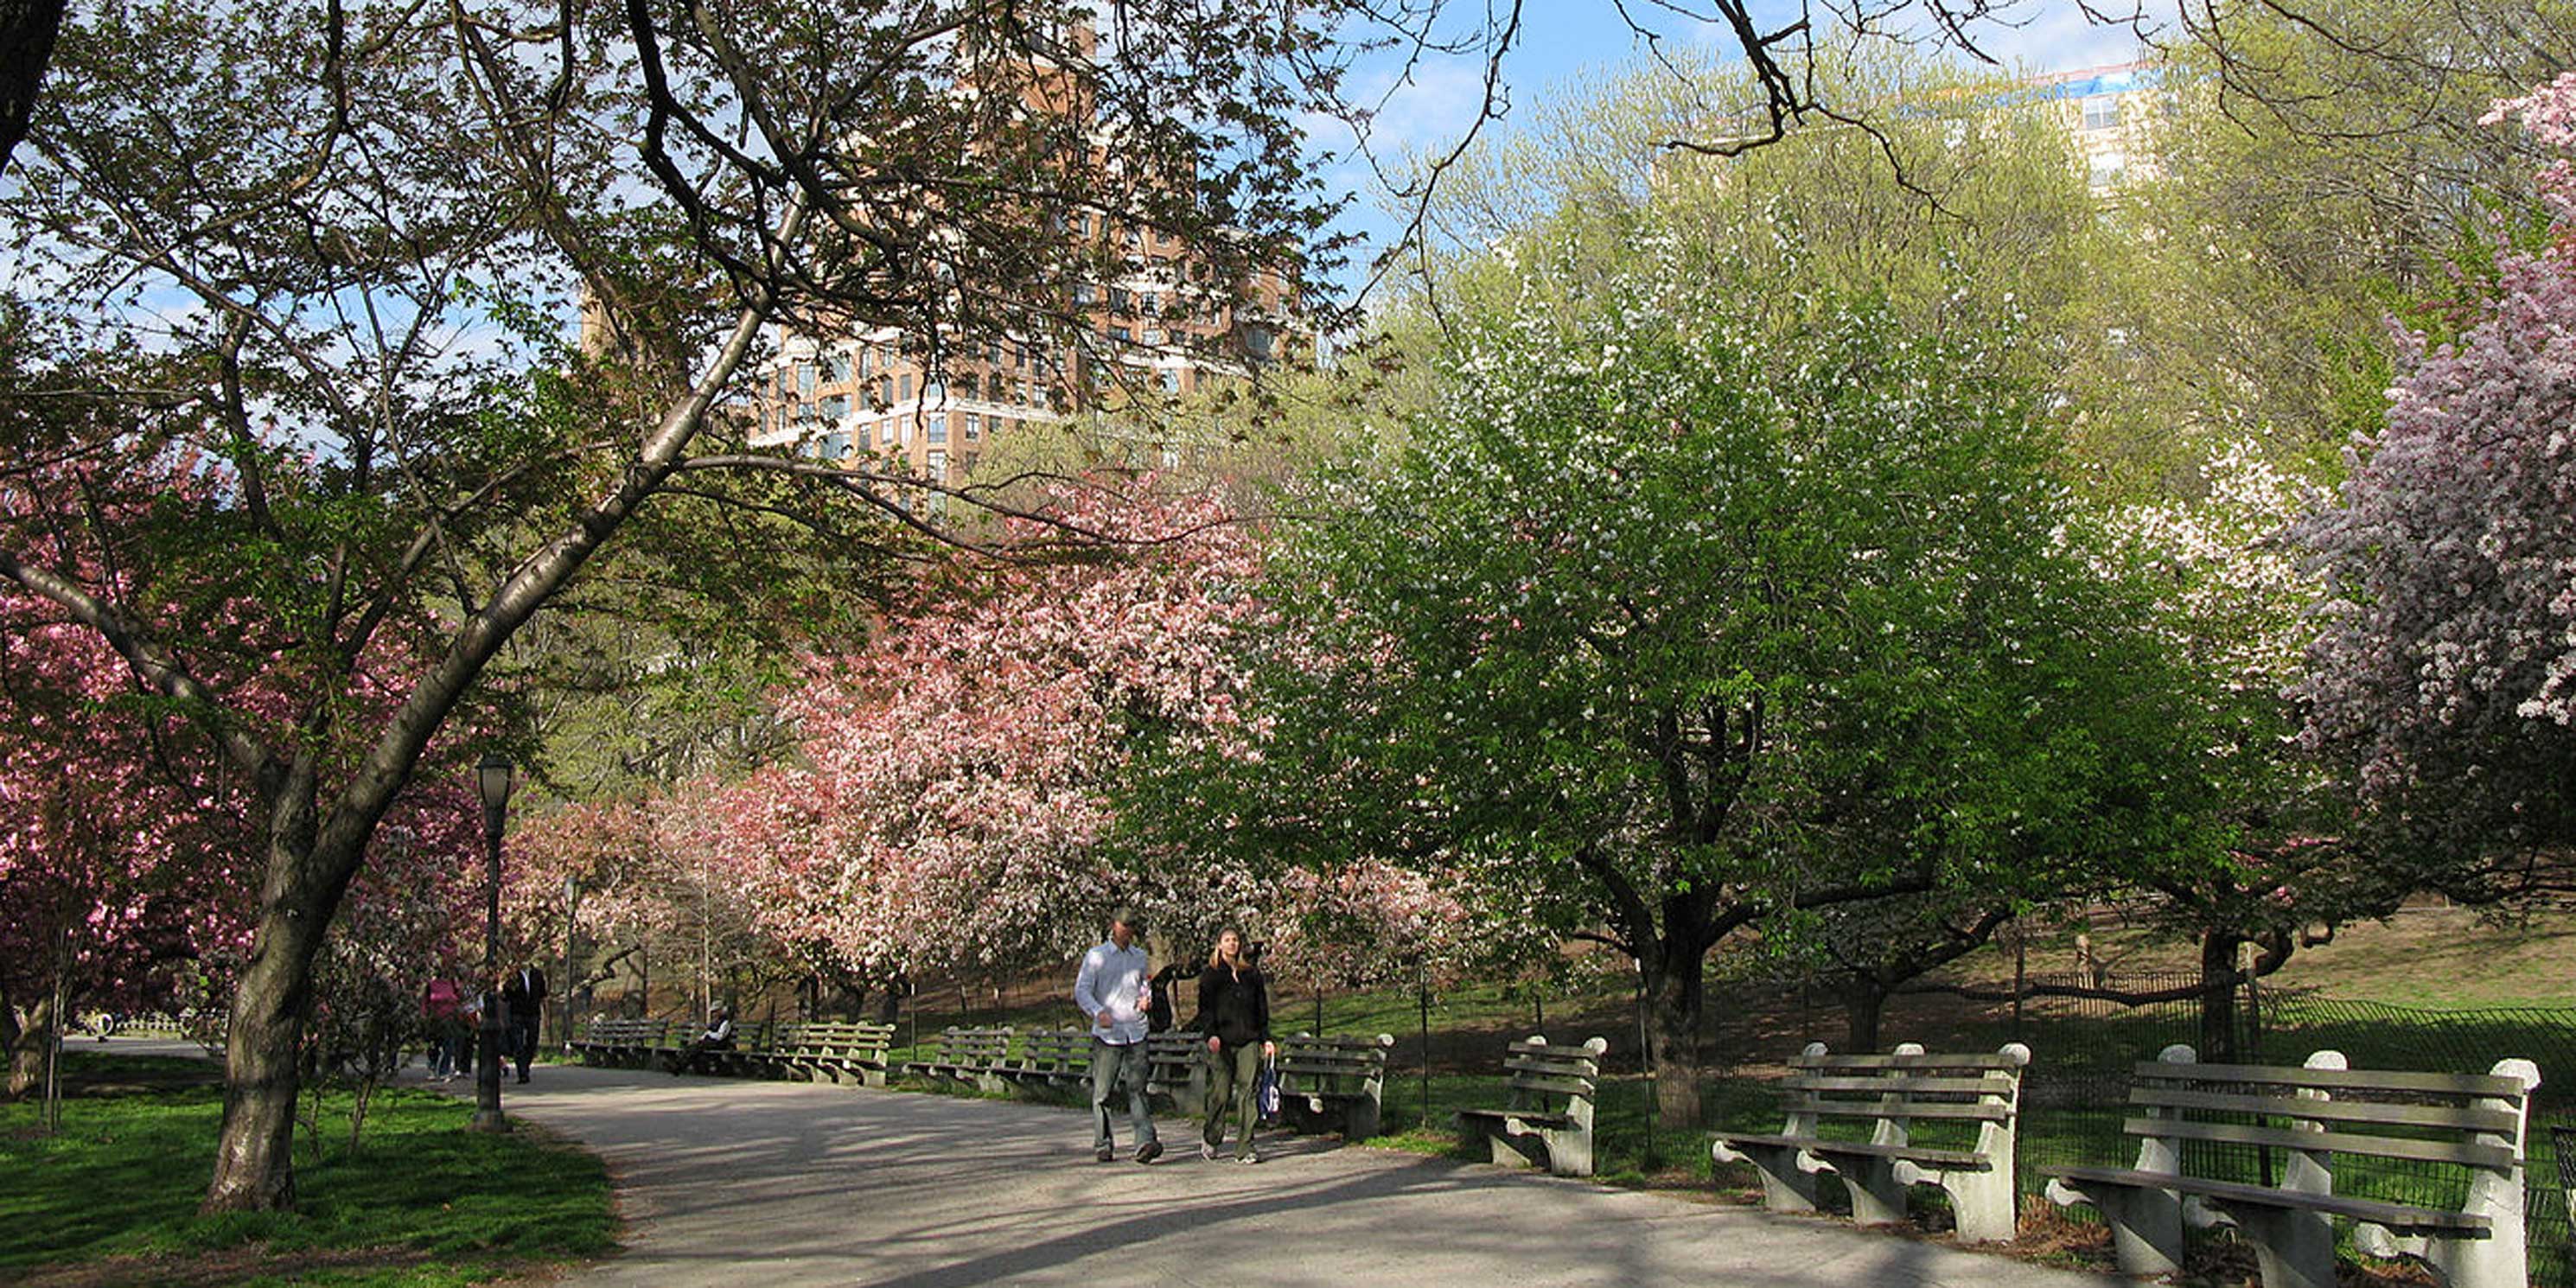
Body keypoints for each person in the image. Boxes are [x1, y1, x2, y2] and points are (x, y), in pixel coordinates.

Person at [1072, 906, 1160, 1164]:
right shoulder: (1096, 956)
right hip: (1108, 1033)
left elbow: (1144, 985)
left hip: (1136, 1029)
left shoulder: (1139, 957)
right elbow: (1083, 990)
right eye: (1123, 926)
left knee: (1137, 1088)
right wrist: (1098, 1011)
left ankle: (1145, 1141)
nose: (1126, 931)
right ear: (1114, 926)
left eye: (1131, 927)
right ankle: (1103, 1142)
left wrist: (1146, 999)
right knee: (1103, 1092)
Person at [1188, 928, 1275, 1163]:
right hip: (1222, 1041)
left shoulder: (1251, 975)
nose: (1232, 944)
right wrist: (1211, 1035)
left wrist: (1266, 1038)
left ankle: (1246, 1146)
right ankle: (1212, 1135)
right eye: (1227, 940)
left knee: (1249, 1091)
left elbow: (1261, 1010)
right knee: (1221, 1092)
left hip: (1248, 1038)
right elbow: (1205, 1010)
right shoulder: (1211, 975)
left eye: (1235, 940)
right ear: (1219, 945)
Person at [502, 964, 547, 1084]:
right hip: (517, 1012)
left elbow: (543, 994)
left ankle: (525, 1064)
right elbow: (505, 995)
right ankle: (522, 1073)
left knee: (532, 1042)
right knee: (518, 1043)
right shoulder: (512, 975)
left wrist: (545, 1012)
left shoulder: (537, 974)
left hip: (533, 1012)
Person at [667, 1004, 736, 1074]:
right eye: (713, 1012)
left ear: (721, 1011)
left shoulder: (725, 1023)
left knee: (695, 1049)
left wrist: (709, 1034)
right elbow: (708, 1032)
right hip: (709, 1043)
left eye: (715, 1011)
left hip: (719, 1044)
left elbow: (720, 1036)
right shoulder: (715, 1022)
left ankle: (679, 1067)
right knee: (691, 1048)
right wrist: (702, 1037)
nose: (714, 1014)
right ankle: (678, 1064)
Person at [423, 975, 465, 1081]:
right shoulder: (431, 983)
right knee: (434, 1046)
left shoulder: (452, 982)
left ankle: (444, 1071)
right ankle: (432, 1068)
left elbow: (460, 998)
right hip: (435, 1019)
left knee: (449, 1046)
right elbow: (425, 1000)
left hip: (449, 1019)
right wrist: (424, 1015)